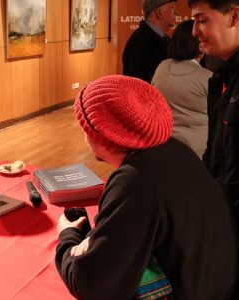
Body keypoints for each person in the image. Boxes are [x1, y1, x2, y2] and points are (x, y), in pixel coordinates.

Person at [55, 75, 237, 299]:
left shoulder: (136, 180)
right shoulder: (177, 150)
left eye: (84, 127)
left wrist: (67, 236)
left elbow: (92, 286)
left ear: (99, 135)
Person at [189, 0, 239, 224]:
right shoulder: (219, 81)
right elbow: (215, 158)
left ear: (235, 16)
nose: (194, 31)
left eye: (202, 20)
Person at [152, 19, 212, 158]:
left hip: (162, 147)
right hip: (198, 154)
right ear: (199, 45)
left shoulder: (162, 67)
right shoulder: (208, 78)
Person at [122, 0, 177, 83]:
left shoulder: (157, 38)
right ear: (159, 12)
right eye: (172, 7)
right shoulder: (141, 42)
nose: (177, 12)